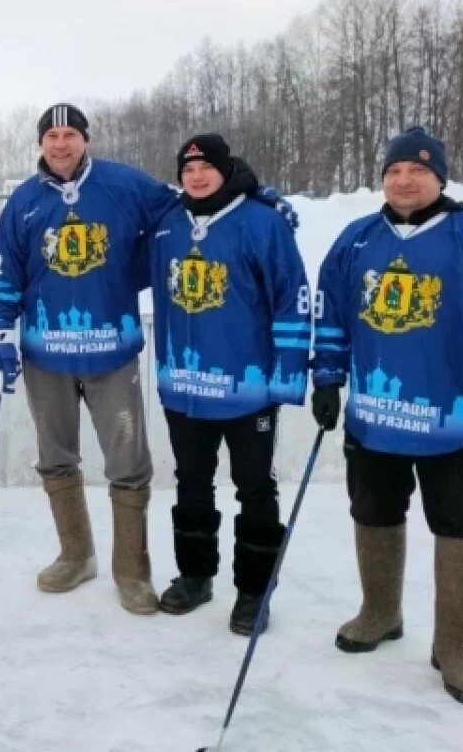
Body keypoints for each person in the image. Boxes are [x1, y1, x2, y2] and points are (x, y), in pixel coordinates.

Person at [311, 125, 463, 706]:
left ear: (439, 177)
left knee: (460, 525)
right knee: (372, 512)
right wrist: (326, 379)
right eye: (393, 171)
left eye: (417, 171)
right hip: (374, 418)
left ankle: (455, 645)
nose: (404, 180)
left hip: (455, 426)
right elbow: (333, 318)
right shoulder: (356, 241)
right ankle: (380, 613)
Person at [0, 103, 179, 615]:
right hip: (47, 355)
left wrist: (248, 199)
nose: (60, 144)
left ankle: (132, 571)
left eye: (70, 134)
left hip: (112, 351)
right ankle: (76, 553)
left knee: (128, 461)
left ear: (85, 139)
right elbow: (5, 273)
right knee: (56, 455)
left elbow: (183, 211)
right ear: (41, 144)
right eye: (51, 136)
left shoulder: (123, 184)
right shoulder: (23, 201)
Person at [148, 133, 309, 634]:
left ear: (225, 169)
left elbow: (291, 296)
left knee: (254, 487)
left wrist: (287, 372)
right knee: (191, 482)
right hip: (185, 384)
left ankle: (254, 591)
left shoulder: (262, 221)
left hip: (247, 388)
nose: (196, 176)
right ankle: (196, 576)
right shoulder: (167, 224)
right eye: (187, 169)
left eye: (206, 167)